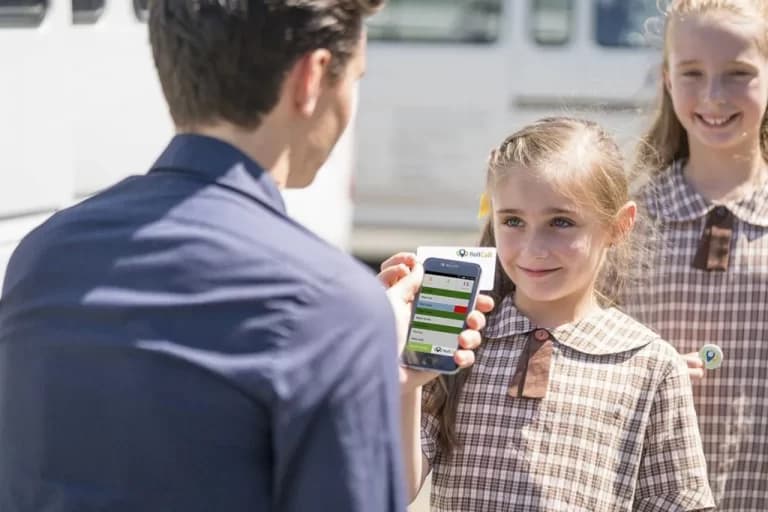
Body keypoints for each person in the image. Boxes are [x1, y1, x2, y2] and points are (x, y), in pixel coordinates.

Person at [0, 2, 493, 511]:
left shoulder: (44, 255)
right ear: (313, 76)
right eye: (356, 78)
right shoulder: (332, 307)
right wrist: (362, 346)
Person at [382, 117, 714, 511]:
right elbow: (393, 491)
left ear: (618, 226)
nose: (533, 247)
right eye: (513, 221)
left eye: (561, 222)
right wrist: (405, 381)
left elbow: (678, 502)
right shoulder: (461, 340)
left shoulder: (651, 365)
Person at [620, 1, 768, 509]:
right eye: (692, 73)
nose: (712, 95)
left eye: (739, 74)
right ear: (666, 79)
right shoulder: (627, 221)